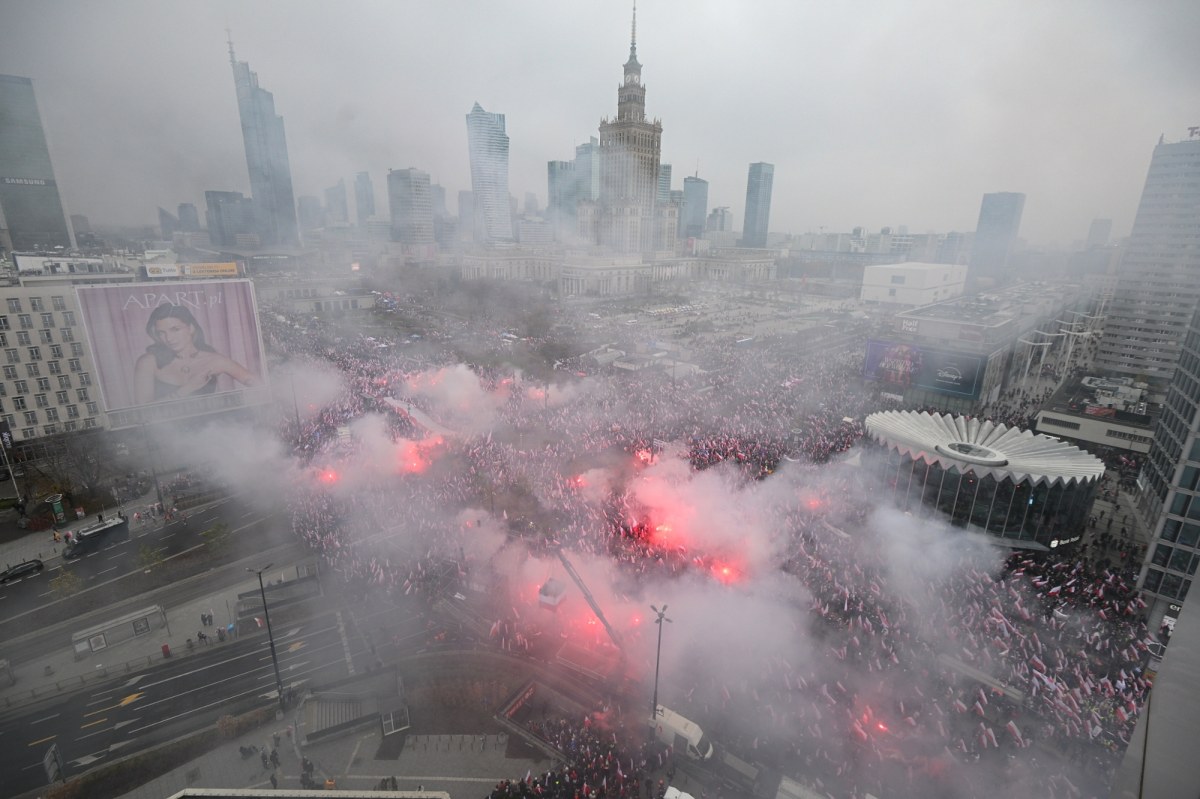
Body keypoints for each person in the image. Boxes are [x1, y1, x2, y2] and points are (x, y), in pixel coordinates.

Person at [134, 303, 259, 404]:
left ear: (191, 328)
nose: (169, 338)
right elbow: (143, 412)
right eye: (162, 333)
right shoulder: (148, 362)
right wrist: (187, 389)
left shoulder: (213, 360)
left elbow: (254, 382)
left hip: (212, 429)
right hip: (166, 432)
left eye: (175, 330)